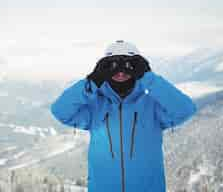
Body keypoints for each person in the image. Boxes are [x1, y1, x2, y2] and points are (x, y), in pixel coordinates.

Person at [50, 40, 197, 192]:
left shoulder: (151, 106)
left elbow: (185, 109)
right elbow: (60, 110)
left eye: (129, 66)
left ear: (138, 69)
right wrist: (92, 81)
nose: (120, 72)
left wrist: (148, 78)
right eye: (111, 66)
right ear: (103, 70)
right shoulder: (96, 106)